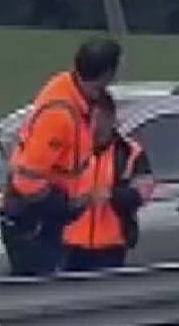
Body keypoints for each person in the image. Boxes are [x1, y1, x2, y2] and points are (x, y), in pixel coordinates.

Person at [0, 37, 122, 276]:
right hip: (33, 222)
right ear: (106, 74)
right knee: (40, 295)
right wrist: (63, 205)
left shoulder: (72, 94)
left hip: (42, 220)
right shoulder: (61, 113)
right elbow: (28, 180)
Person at [62, 91, 152, 273]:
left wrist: (111, 195)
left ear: (110, 118)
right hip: (70, 245)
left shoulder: (130, 152)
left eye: (97, 119)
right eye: (89, 118)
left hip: (111, 248)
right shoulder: (71, 149)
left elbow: (142, 194)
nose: (92, 126)